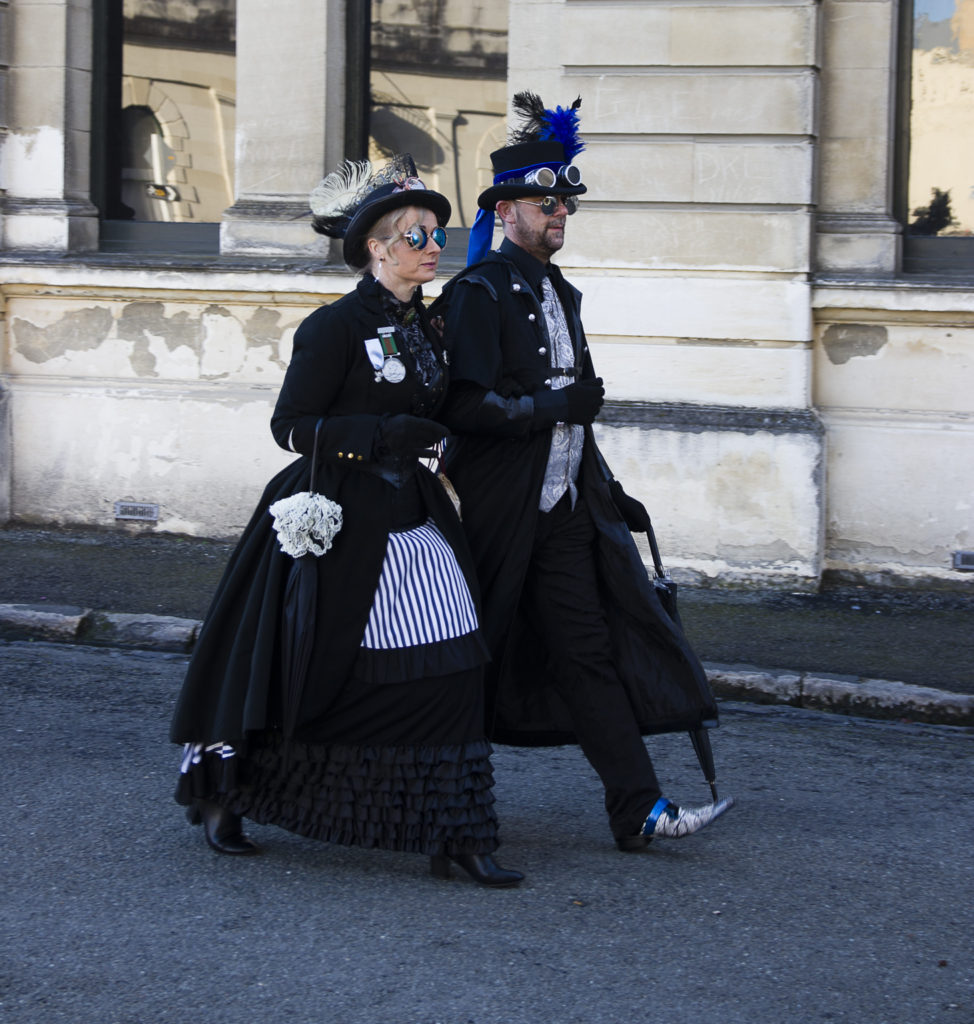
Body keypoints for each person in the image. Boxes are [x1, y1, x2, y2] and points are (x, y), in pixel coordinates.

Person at [169, 154, 523, 888]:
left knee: (455, 660)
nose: (433, 247)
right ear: (377, 247)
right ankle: (230, 798)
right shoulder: (334, 326)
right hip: (337, 515)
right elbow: (290, 425)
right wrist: (374, 433)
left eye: (436, 233)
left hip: (414, 515)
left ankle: (455, 830)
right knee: (309, 671)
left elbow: (445, 404)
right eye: (418, 235)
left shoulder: (426, 326)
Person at [434, 93, 734, 851]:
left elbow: (571, 409)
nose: (560, 212)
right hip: (495, 510)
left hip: (565, 506)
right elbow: (462, 406)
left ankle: (638, 808)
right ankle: (441, 808)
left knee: (588, 650)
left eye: (565, 201)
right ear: (506, 212)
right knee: (465, 658)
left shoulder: (559, 290)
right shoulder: (477, 293)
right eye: (545, 201)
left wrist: (605, 485)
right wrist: (551, 404)